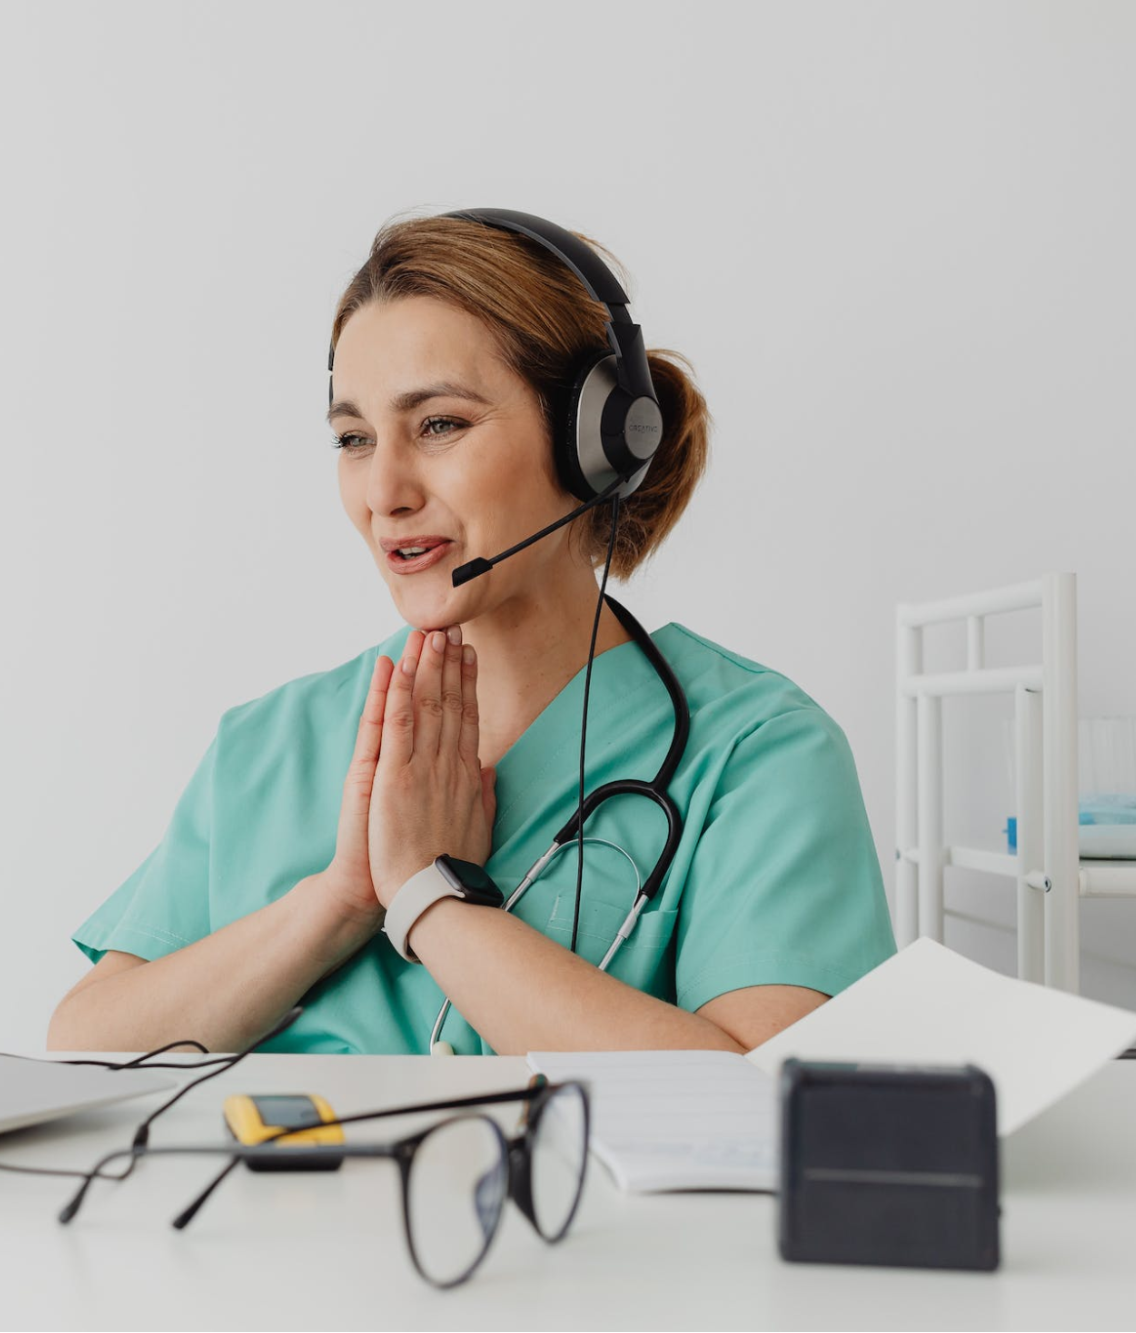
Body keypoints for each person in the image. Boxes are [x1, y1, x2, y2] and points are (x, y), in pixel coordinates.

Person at [47, 210, 895, 1056]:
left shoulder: (756, 752)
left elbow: (768, 1113)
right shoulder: (268, 745)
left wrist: (429, 900)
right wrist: (341, 898)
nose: (383, 490)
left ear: (594, 444)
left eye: (439, 425)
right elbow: (83, 1043)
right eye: (353, 438)